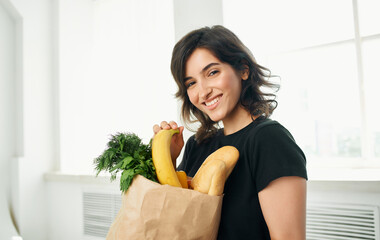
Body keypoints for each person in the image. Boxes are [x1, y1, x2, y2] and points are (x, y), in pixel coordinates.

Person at [153, 25, 307, 240]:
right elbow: (175, 225)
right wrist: (168, 159)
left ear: (243, 69)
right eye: (191, 83)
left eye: (212, 72)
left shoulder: (270, 140)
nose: (203, 92)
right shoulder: (197, 145)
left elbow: (288, 237)